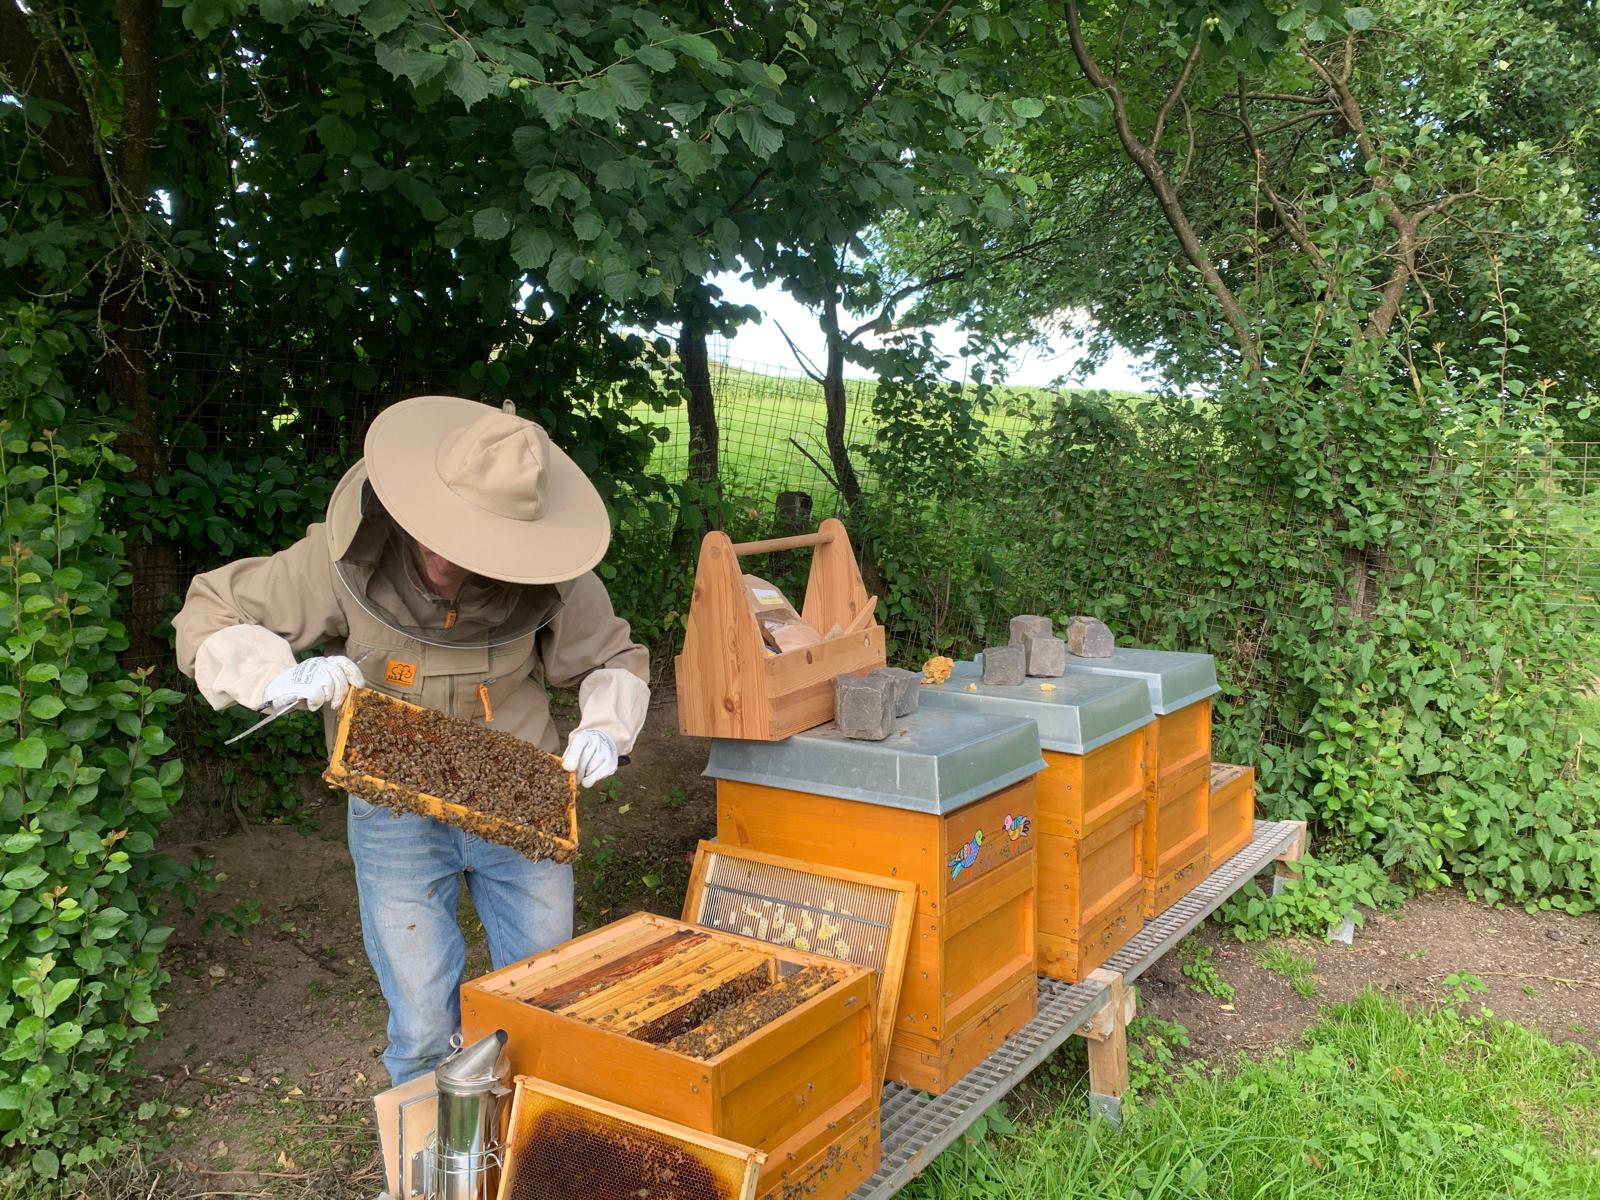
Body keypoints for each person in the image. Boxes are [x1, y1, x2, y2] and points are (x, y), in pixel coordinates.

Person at [174, 395, 649, 1084]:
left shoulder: (555, 575)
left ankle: (533, 1137)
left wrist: (607, 725)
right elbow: (213, 609)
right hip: (392, 806)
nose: (448, 563)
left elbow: (614, 658)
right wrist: (274, 676)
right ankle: (431, 1141)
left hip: (521, 796)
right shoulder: (338, 556)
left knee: (544, 998)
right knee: (423, 1019)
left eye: (476, 548)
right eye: (440, 536)